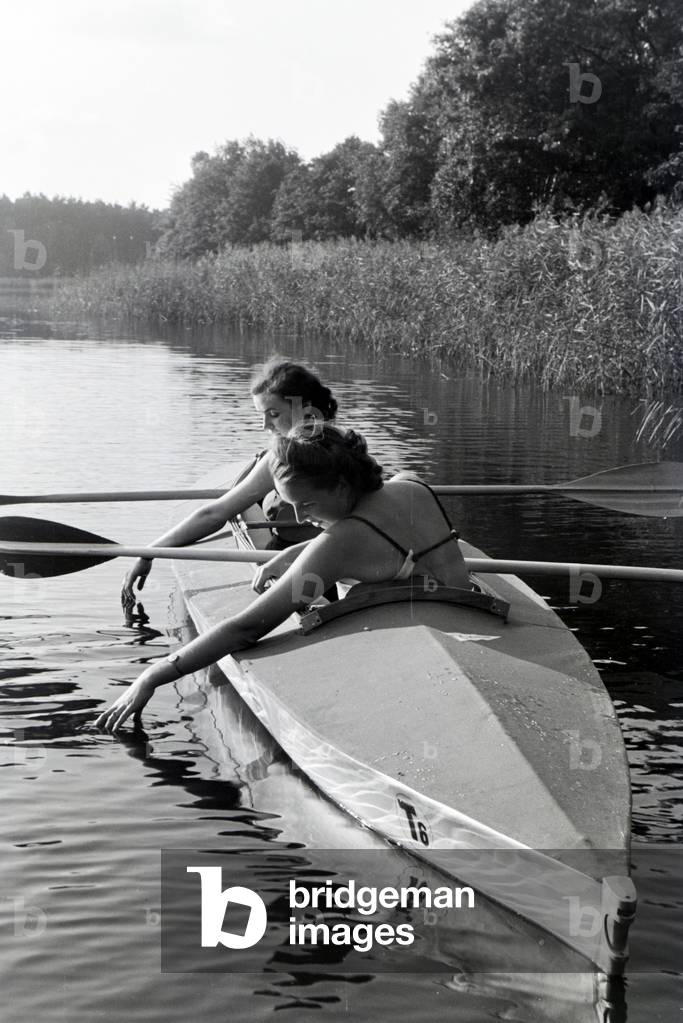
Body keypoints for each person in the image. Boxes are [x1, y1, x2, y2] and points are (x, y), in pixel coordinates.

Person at [96, 424, 472, 733]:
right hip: (466, 615)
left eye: (307, 504)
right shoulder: (412, 485)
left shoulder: (340, 543)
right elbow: (382, 543)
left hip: (415, 660)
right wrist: (297, 553)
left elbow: (246, 628)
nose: (300, 516)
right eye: (289, 504)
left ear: (341, 487)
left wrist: (154, 674)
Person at [120, 358, 339, 607]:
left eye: (274, 414)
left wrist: (148, 553)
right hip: (320, 564)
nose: (265, 425)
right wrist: (149, 552)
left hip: (312, 565)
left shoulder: (282, 458)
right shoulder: (347, 445)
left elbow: (214, 514)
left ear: (304, 409)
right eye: (262, 415)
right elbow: (214, 514)